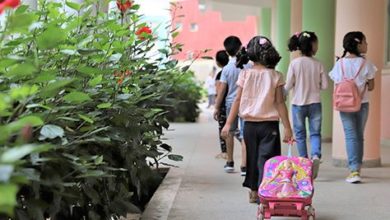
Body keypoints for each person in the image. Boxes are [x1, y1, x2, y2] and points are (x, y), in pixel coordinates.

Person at [221, 36, 293, 203]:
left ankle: (255, 192)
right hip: (270, 126)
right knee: (267, 159)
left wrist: (228, 124)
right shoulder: (276, 76)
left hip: (250, 126)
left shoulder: (245, 74)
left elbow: (237, 101)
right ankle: (264, 192)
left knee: (253, 159)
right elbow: (280, 103)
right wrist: (287, 128)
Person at [329, 31, 377, 184]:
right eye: (365, 41)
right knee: (359, 135)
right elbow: (371, 87)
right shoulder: (366, 64)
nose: (367, 44)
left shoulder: (339, 63)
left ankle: (353, 170)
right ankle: (357, 168)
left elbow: (336, 85)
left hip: (344, 105)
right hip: (362, 105)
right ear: (358, 44)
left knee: (350, 136)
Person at [284, 31, 328, 179]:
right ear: (312, 45)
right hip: (315, 103)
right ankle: (316, 155)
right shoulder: (318, 63)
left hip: (298, 104)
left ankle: (303, 161)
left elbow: (288, 85)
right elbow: (325, 86)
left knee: (300, 135)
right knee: (315, 133)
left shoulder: (294, 64)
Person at [214, 36, 248, 176]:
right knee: (245, 133)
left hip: (230, 103)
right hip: (246, 102)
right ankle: (245, 166)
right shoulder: (249, 66)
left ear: (227, 52)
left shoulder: (227, 69)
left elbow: (222, 90)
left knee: (229, 132)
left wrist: (216, 107)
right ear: (240, 47)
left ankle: (230, 162)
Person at [214, 50, 229, 159]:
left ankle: (224, 152)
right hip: (235, 103)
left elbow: (219, 91)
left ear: (218, 62)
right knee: (235, 129)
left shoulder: (221, 73)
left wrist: (216, 106)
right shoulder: (234, 70)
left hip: (223, 105)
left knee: (222, 128)